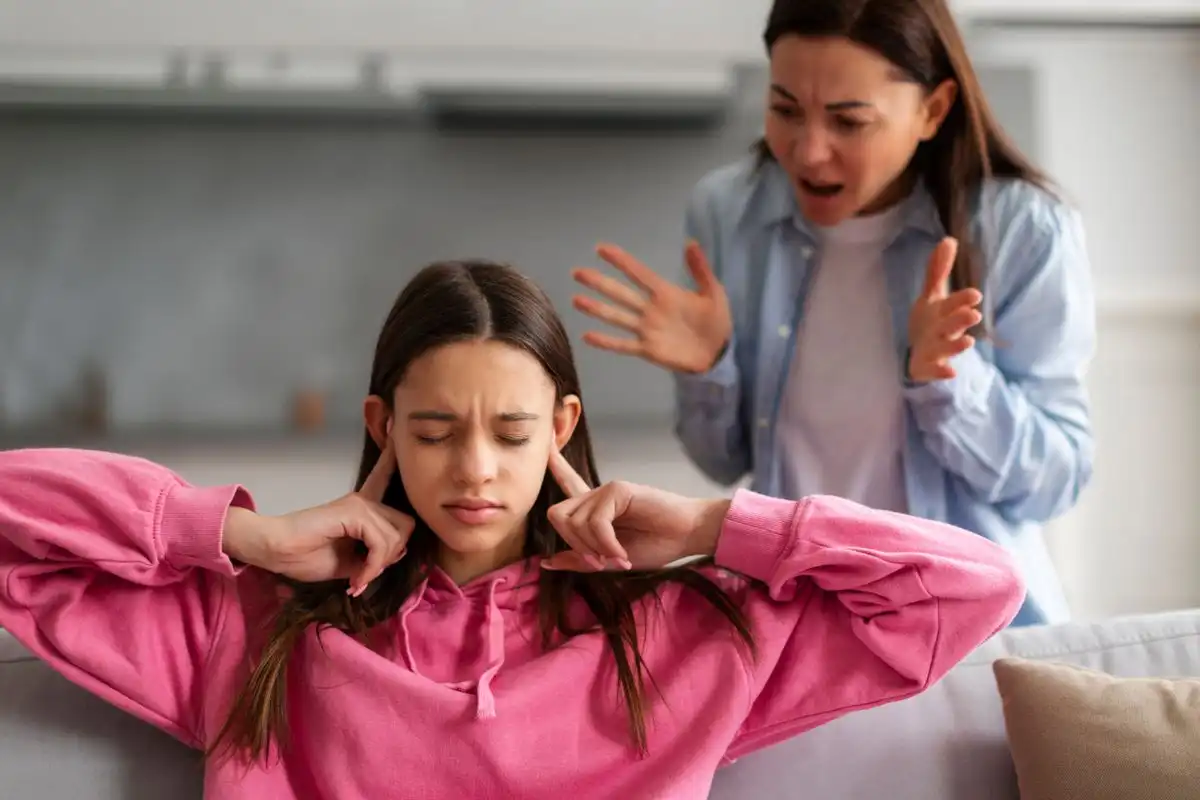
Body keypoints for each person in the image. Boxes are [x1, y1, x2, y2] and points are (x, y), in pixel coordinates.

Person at [0, 260, 1024, 799]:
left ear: (563, 429)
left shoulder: (683, 628)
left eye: (512, 430)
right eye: (436, 430)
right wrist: (244, 539)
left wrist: (718, 521)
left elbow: (974, 587)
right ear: (382, 428)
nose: (477, 467)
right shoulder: (260, 628)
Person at [570, 0, 1095, 628]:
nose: (809, 151)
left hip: (966, 632)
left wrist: (951, 383)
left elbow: (1057, 479)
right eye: (785, 109)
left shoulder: (1022, 228)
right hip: (795, 628)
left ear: (933, 109)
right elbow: (723, 460)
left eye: (849, 121)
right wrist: (710, 368)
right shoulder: (728, 210)